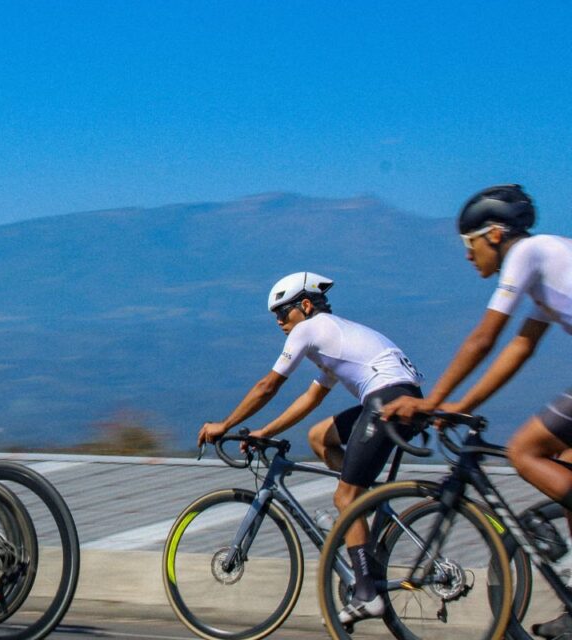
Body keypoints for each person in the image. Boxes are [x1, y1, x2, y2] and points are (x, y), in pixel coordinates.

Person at [382, 184, 572, 638]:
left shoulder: (526, 254)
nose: (468, 256)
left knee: (526, 450)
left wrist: (430, 402)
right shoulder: (550, 260)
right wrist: (460, 404)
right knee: (564, 464)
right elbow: (520, 347)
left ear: (492, 234)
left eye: (467, 244)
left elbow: (484, 339)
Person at [198, 271, 423, 624]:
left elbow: (267, 386)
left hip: (387, 402)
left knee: (346, 498)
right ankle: (355, 515)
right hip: (400, 398)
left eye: (283, 313)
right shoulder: (334, 336)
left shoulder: (310, 330)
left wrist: (224, 425)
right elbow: (311, 398)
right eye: (274, 316)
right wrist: (264, 431)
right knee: (319, 437)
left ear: (305, 306)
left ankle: (366, 593)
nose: (278, 322)